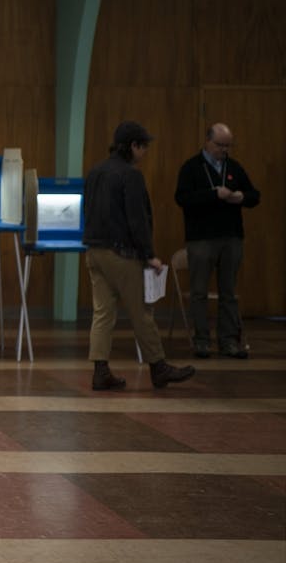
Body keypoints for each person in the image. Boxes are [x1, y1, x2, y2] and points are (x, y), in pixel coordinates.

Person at [83, 121, 196, 391]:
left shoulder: (96, 171)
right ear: (133, 146)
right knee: (142, 313)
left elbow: (87, 207)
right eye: (143, 146)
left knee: (103, 313)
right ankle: (158, 367)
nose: (145, 152)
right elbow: (137, 219)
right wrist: (149, 255)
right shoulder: (130, 175)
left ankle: (100, 371)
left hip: (94, 252)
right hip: (122, 254)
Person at [173, 123, 261, 359]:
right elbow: (182, 198)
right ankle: (202, 340)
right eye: (220, 145)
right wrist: (213, 195)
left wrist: (241, 197)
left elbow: (255, 196)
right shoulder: (191, 167)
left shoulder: (234, 167)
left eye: (227, 146)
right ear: (207, 142)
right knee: (199, 292)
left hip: (231, 237)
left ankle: (229, 341)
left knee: (228, 293)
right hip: (201, 238)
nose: (224, 150)